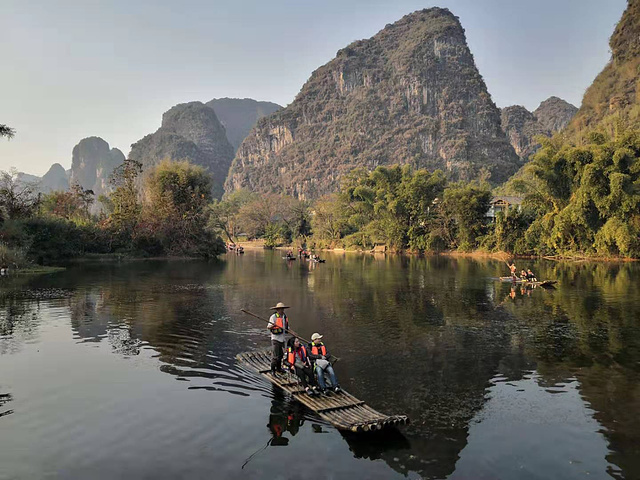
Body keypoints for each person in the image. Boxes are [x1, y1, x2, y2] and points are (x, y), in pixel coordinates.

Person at [268, 302, 290, 375]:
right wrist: (273, 325)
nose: (282, 310)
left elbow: (286, 327)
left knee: (281, 355)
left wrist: (293, 332)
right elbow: (268, 327)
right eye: (280, 309)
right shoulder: (273, 317)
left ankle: (279, 368)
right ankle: (272, 370)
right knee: (275, 356)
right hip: (275, 338)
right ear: (277, 309)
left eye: (283, 309)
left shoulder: (284, 317)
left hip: (282, 338)